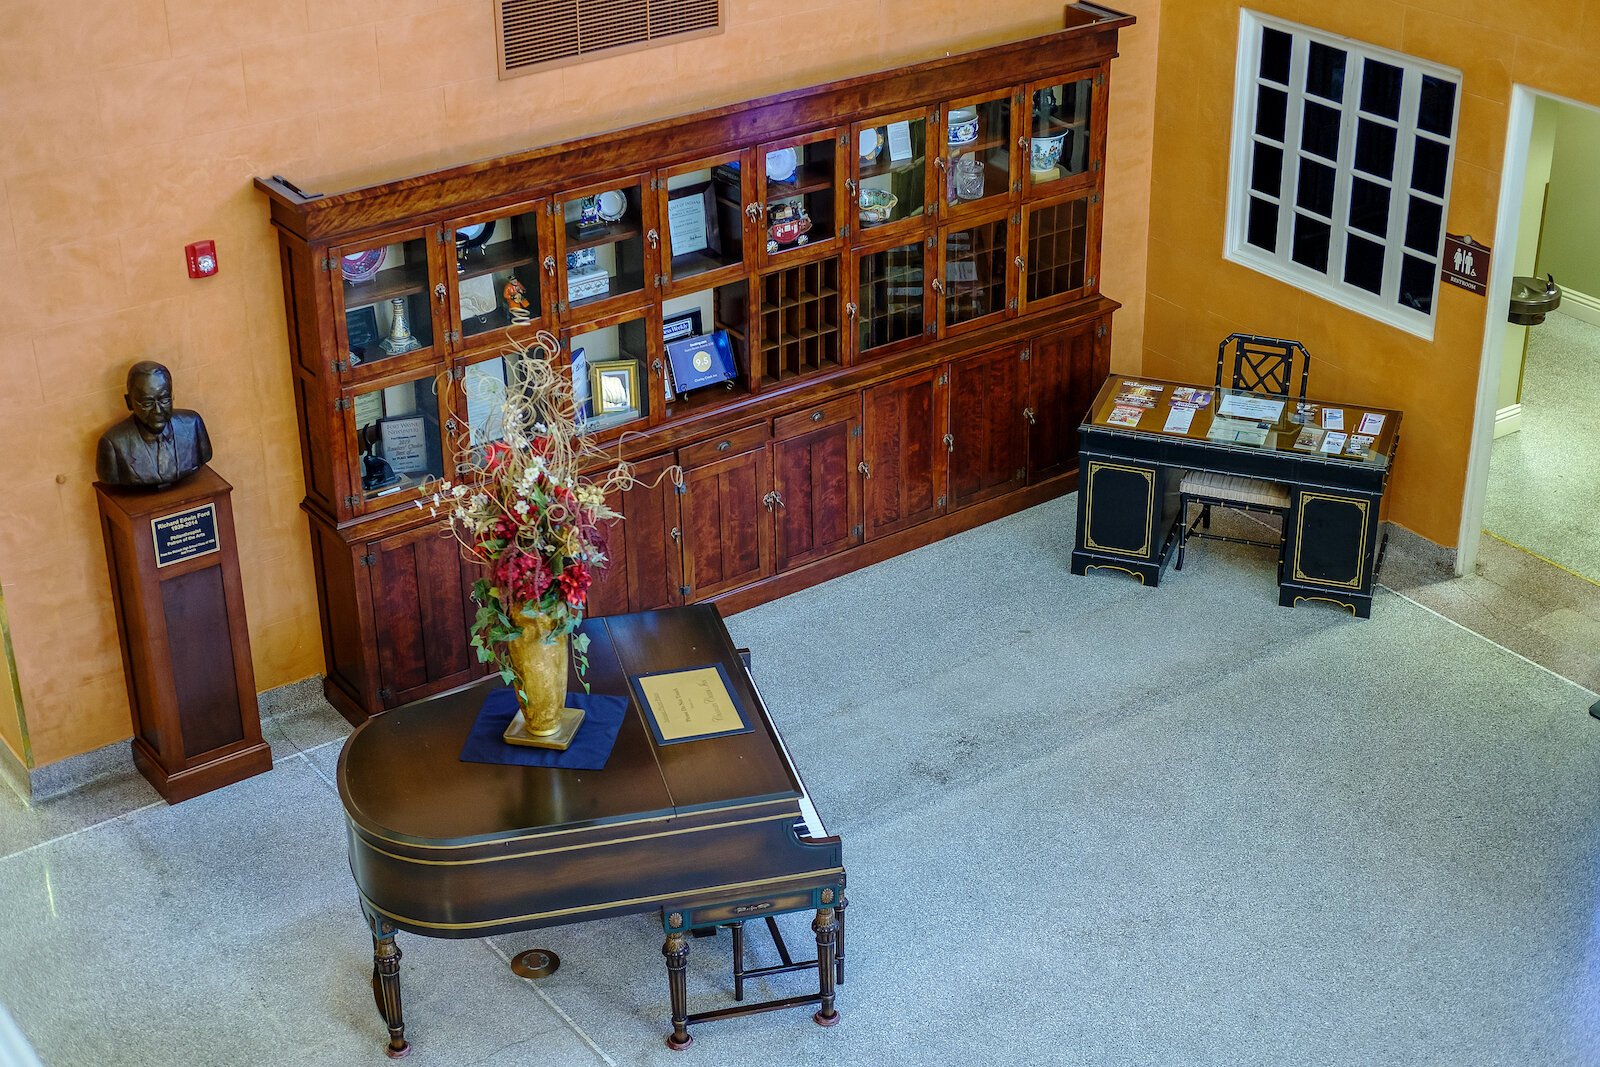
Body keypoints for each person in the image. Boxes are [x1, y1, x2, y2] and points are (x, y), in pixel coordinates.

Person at [95, 361, 212, 488]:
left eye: (164, 400)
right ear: (129, 402)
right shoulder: (113, 444)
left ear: (172, 396)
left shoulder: (193, 425)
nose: (157, 410)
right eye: (147, 403)